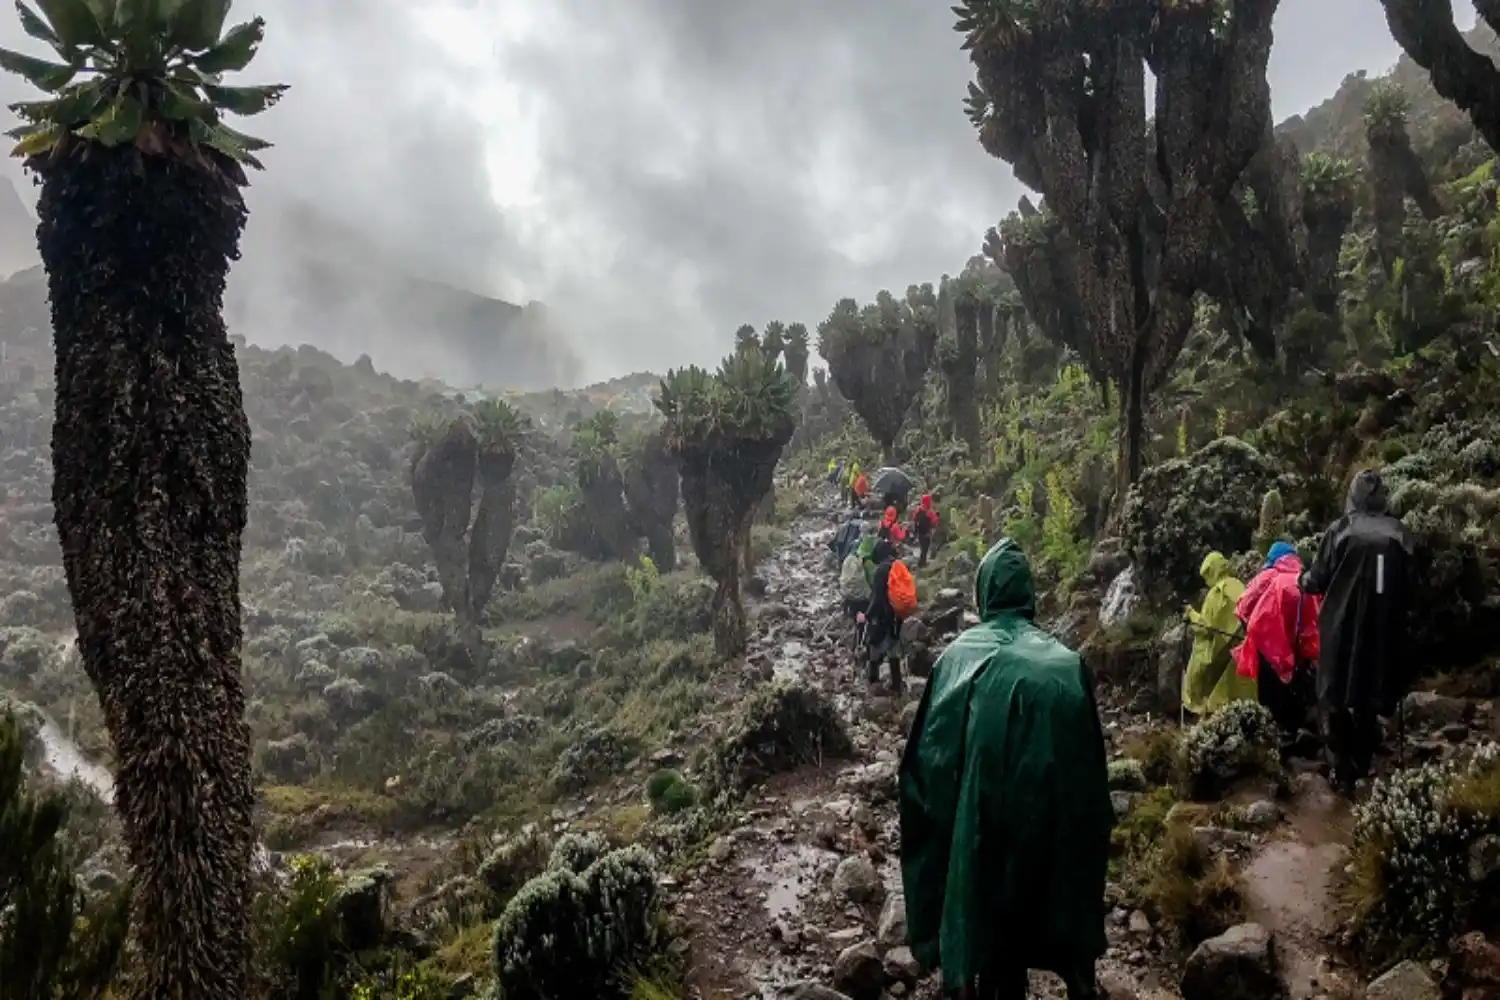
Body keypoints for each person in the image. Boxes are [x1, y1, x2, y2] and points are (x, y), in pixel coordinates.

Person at [900, 539, 1112, 1000]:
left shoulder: (958, 658)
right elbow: (1093, 779)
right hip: (1056, 826)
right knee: (1050, 888)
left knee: (988, 908)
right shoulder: (1069, 664)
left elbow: (930, 769)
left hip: (987, 828)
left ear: (984, 591)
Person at [1300, 468, 1416, 796]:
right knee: (1368, 693)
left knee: (1333, 693)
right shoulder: (1399, 534)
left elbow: (1317, 579)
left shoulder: (1340, 530)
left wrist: (1302, 581)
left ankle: (1342, 769)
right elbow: (1411, 586)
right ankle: (1363, 762)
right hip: (1383, 630)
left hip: (1341, 626)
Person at [1234, 541, 1321, 752]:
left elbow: (1243, 607)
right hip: (1301, 651)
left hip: (1270, 647)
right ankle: (1295, 735)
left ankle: (1273, 741)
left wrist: (1249, 626)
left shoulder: (1269, 576)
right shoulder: (1307, 580)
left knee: (1270, 694)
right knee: (1295, 694)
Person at [1181, 551, 1256, 716]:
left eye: (1207, 575)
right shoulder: (1238, 585)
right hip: (1247, 649)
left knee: (1219, 702)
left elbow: (1206, 628)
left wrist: (1191, 614)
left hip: (1224, 654)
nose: (1207, 581)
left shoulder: (1217, 592)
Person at [858, 540, 905, 692]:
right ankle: (896, 683)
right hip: (896, 613)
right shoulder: (897, 566)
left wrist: (867, 615)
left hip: (883, 615)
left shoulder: (881, 571)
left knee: (873, 643)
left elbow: (877, 598)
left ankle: (873, 681)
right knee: (893, 646)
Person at [909, 494, 939, 568]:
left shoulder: (918, 509)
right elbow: (934, 522)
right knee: (925, 548)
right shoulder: (929, 511)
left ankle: (922, 562)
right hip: (927, 533)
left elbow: (913, 519)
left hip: (919, 532)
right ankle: (922, 563)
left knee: (922, 547)